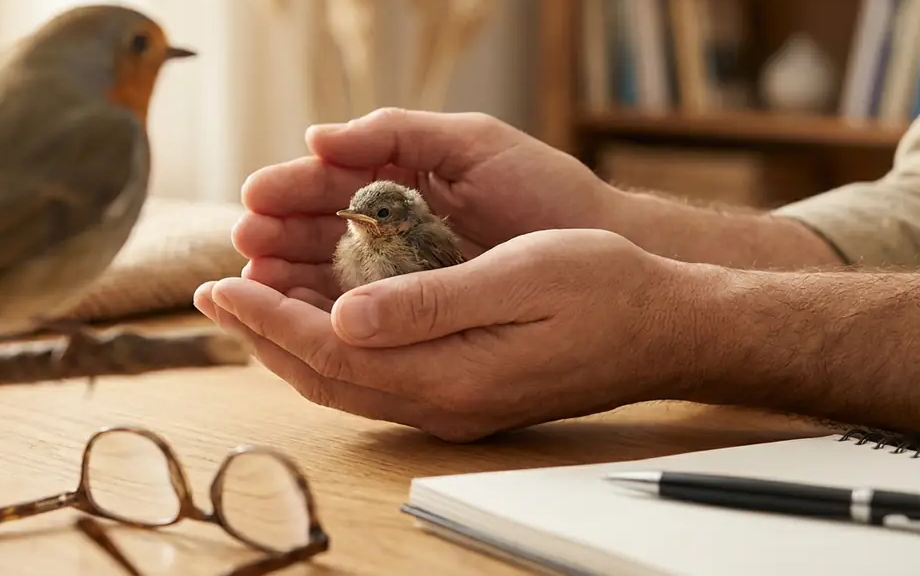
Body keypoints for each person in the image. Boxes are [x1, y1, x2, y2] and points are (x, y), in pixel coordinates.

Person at [192, 108, 920, 443]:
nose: (359, 223)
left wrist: (680, 323)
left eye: (373, 216)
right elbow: (909, 205)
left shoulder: (419, 240)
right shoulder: (360, 246)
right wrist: (628, 227)